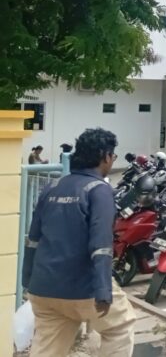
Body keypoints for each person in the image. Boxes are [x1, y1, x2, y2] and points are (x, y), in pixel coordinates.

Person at [22, 128, 136, 356]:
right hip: (83, 289)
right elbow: (101, 245)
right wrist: (103, 290)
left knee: (47, 349)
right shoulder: (99, 190)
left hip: (43, 289)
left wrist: (27, 281)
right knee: (120, 326)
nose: (112, 161)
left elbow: (33, 239)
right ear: (105, 156)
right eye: (113, 156)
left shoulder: (52, 187)